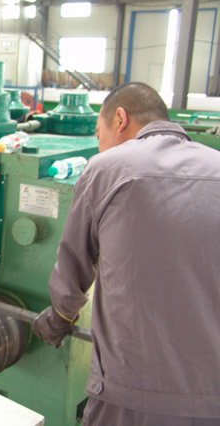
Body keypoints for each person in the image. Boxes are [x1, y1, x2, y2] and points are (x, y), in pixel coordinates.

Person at [33, 82, 220, 425]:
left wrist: (59, 319)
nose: (99, 144)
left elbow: (73, 268)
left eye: (98, 133)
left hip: (132, 394)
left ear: (120, 119)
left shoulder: (106, 168)